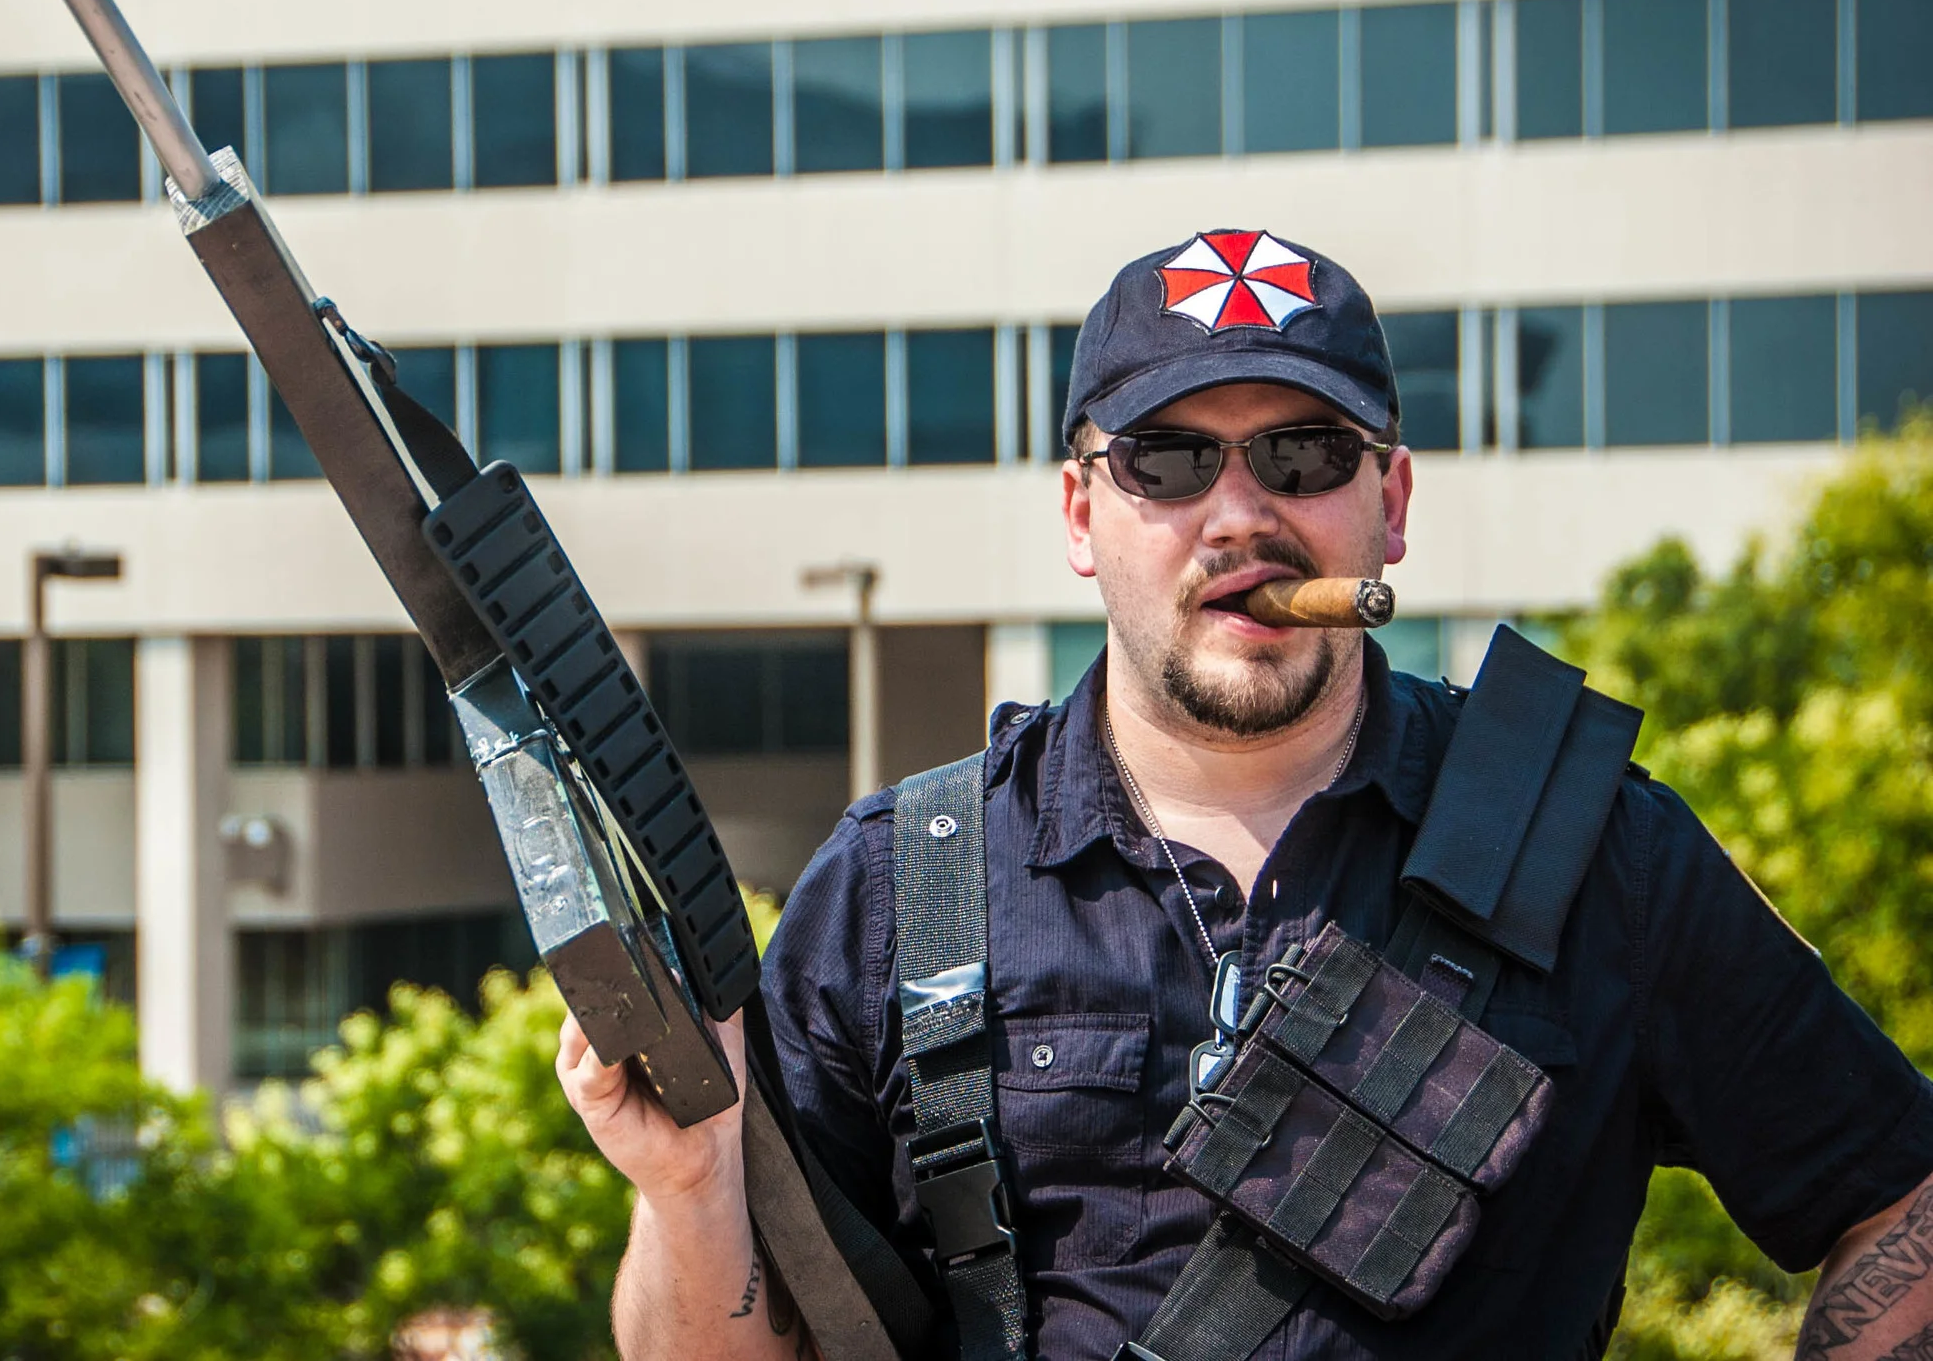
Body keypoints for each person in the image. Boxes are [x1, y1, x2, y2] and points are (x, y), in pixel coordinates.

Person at [556, 232, 1933, 1360]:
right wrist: (686, 1187)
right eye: (1167, 459)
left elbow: (1902, 1198)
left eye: (1303, 456)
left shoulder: (1598, 853)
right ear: (1080, 513)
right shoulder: (900, 882)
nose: (1239, 514)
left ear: (1387, 504)